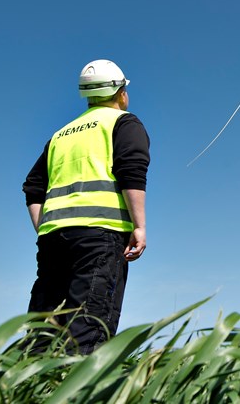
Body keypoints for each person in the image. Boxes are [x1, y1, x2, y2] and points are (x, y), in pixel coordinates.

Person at [21, 59, 150, 354]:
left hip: (53, 240)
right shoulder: (123, 122)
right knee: (90, 324)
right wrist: (139, 227)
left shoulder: (61, 135)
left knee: (45, 325)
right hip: (100, 237)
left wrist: (45, 229)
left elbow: (33, 186)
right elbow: (131, 173)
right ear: (121, 92)